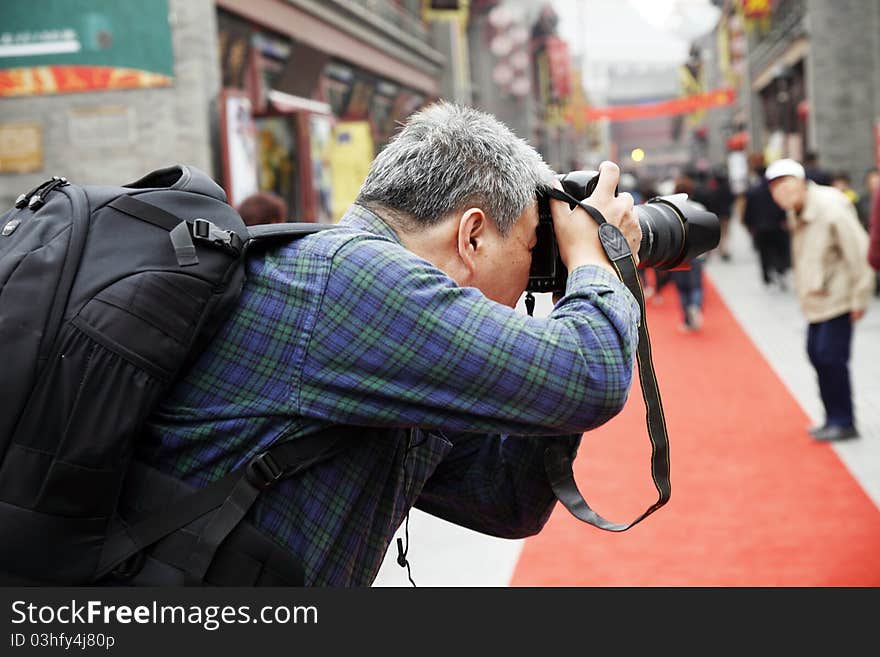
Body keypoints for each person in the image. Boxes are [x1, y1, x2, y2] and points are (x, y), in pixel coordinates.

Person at [139, 102, 642, 586]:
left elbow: (503, 498)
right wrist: (596, 260)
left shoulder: (348, 292)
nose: (530, 280)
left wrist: (576, 286)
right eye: (533, 250)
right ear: (473, 237)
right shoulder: (352, 282)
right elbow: (590, 373)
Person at [765, 158, 874, 442]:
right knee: (817, 354)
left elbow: (859, 252)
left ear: (802, 182)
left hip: (838, 296)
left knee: (830, 357)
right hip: (816, 299)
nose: (782, 193)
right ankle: (832, 417)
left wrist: (860, 298)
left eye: (786, 185)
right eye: (775, 188)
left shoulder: (831, 207)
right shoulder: (796, 209)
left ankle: (844, 421)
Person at [742, 152, 790, 290]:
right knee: (779, 249)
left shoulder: (752, 191)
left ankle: (767, 277)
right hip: (777, 226)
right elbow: (783, 207)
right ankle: (780, 270)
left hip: (760, 228)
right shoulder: (776, 190)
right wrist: (784, 220)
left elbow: (748, 211)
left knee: (764, 252)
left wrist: (749, 225)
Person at [669, 175, 707, 332]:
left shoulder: (670, 209)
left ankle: (686, 320)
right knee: (696, 285)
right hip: (696, 253)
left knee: (682, 287)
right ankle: (695, 306)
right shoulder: (699, 208)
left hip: (678, 254)